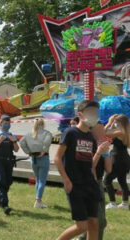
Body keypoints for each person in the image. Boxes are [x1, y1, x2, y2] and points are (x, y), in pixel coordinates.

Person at [54, 100, 109, 240]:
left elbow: (90, 162)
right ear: (80, 114)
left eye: (96, 113)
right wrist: (66, 180)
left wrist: (94, 180)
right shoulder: (70, 133)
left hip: (90, 184)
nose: (94, 115)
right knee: (82, 226)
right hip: (75, 184)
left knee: (94, 223)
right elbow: (57, 158)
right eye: (91, 113)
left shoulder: (90, 136)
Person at [78, 122, 112, 240]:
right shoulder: (86, 146)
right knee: (99, 221)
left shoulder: (102, 145)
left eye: (103, 131)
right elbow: (88, 167)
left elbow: (109, 169)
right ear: (91, 132)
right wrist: (98, 152)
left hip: (98, 183)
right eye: (99, 131)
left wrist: (106, 153)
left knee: (99, 221)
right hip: (88, 184)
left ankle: (82, 237)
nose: (102, 133)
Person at [19, 118, 53, 208]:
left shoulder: (28, 134)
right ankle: (38, 201)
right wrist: (44, 150)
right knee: (42, 180)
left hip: (33, 158)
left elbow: (21, 142)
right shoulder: (47, 133)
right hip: (43, 157)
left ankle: (38, 199)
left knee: (38, 179)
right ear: (43, 124)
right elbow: (47, 141)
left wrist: (28, 152)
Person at [0, 114, 19, 215]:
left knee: (8, 182)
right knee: (1, 181)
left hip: (9, 161)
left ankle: (1, 200)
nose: (7, 125)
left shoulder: (11, 135)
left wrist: (13, 141)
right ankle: (5, 205)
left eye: (8, 123)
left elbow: (16, 149)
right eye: (5, 123)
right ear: (0, 123)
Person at [103, 114, 130, 210]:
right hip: (125, 157)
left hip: (117, 158)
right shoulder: (126, 131)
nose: (115, 123)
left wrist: (109, 122)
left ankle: (112, 203)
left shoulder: (119, 132)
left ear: (120, 123)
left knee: (107, 180)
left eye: (116, 122)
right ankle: (125, 203)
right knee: (122, 181)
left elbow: (104, 133)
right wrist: (113, 125)